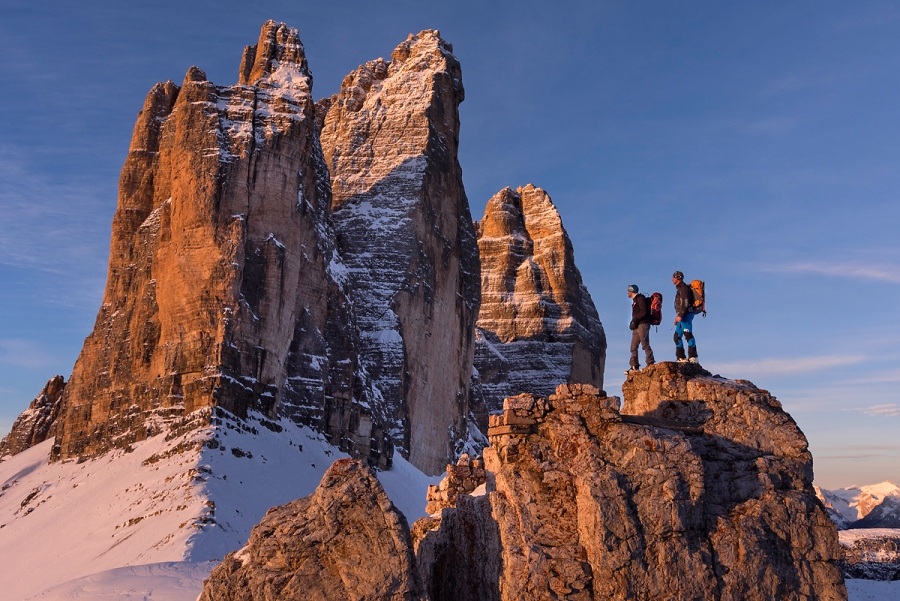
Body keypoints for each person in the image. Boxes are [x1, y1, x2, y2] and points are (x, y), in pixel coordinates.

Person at [626, 284, 655, 375]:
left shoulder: (640, 299)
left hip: (643, 325)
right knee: (633, 347)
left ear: (632, 291)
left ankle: (650, 363)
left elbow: (644, 312)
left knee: (645, 344)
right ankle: (634, 366)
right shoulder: (635, 300)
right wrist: (633, 323)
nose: (627, 292)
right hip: (637, 326)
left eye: (628, 290)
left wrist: (635, 320)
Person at [672, 271, 698, 363]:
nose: (672, 279)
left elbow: (685, 303)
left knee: (688, 334)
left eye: (673, 277)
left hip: (686, 314)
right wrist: (678, 317)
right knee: (676, 336)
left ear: (677, 278)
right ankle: (681, 357)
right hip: (682, 315)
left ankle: (693, 357)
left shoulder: (683, 289)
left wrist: (680, 315)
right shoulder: (680, 288)